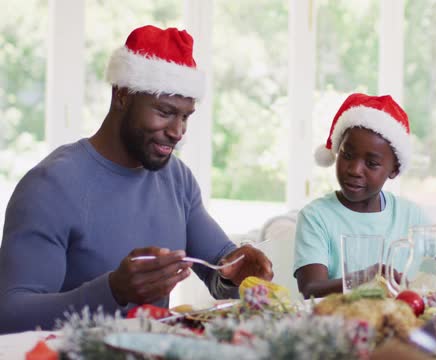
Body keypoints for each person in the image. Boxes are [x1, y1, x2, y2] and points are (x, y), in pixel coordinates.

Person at [0, 25, 272, 334]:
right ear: (122, 95)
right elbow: (9, 316)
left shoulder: (177, 178)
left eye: (185, 116)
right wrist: (114, 291)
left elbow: (219, 272)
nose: (177, 131)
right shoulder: (51, 186)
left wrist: (236, 272)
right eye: (164, 111)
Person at [293, 93, 428, 298]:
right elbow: (310, 288)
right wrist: (367, 277)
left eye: (371, 163)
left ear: (394, 169)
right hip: (337, 325)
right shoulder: (315, 216)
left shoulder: (411, 215)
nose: (355, 169)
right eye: (347, 155)